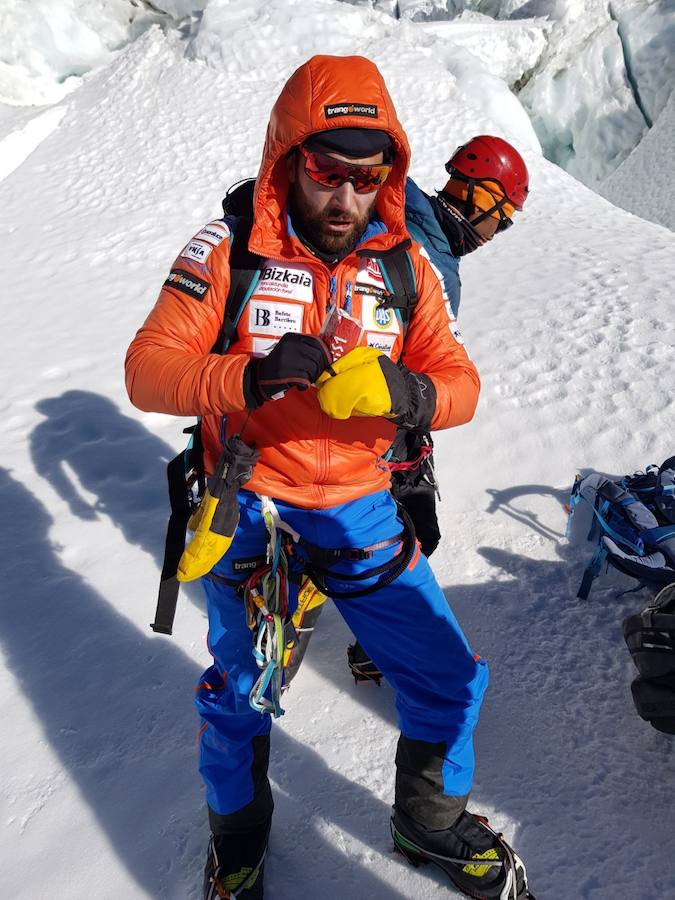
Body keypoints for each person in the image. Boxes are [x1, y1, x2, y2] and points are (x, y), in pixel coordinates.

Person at [125, 55, 532, 900]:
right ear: (288, 158)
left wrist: (409, 391)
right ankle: (237, 842)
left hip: (362, 508)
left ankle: (425, 821)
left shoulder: (404, 266)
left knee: (449, 677)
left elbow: (459, 382)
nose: (346, 197)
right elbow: (148, 368)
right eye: (326, 172)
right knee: (240, 695)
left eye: (366, 176)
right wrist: (246, 376)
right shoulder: (227, 250)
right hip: (251, 513)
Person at [349, 135, 529, 682]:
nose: (497, 233)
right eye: (504, 218)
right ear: (485, 199)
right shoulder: (428, 253)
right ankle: (379, 647)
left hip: (352, 404)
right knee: (411, 534)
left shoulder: (404, 211)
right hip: (378, 422)